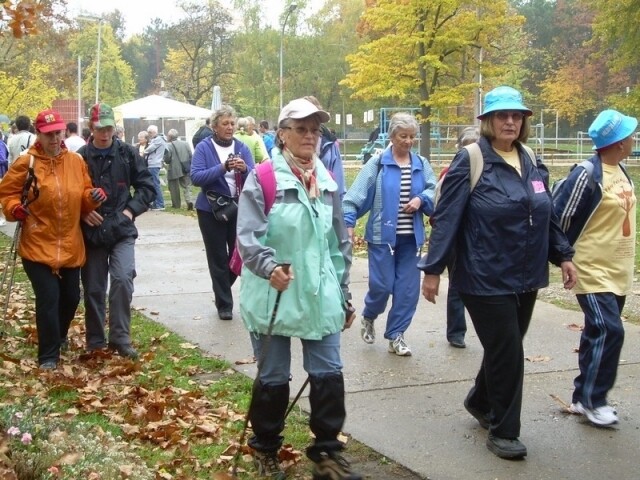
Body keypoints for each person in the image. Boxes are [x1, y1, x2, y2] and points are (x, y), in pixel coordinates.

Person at [418, 86, 577, 459]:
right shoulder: (470, 160)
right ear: (488, 121)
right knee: (509, 352)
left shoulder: (533, 160)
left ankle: (479, 399)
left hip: (526, 274)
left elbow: (546, 214)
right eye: (502, 115)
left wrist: (564, 255)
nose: (510, 121)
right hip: (483, 275)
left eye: (517, 116)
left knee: (505, 346)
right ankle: (505, 431)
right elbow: (447, 218)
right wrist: (433, 269)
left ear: (523, 122)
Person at [236, 97, 361, 480]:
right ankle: (265, 448)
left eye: (315, 129)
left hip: (319, 298)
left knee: (328, 374)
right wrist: (268, 266)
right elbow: (248, 236)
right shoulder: (264, 177)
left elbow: (338, 245)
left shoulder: (325, 180)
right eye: (301, 128)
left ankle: (325, 451)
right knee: (273, 378)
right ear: (283, 134)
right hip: (273, 294)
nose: (310, 135)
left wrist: (343, 295)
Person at [0, 108, 103, 369]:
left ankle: (58, 336)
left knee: (70, 297)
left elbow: (84, 193)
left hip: (69, 243)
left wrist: (92, 198)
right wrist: (14, 209)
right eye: (48, 135)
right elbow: (6, 194)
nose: (54, 139)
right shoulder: (27, 163)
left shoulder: (76, 162)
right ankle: (48, 355)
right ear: (39, 135)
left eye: (57, 133)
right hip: (37, 242)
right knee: (48, 298)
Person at [553, 109, 637, 427]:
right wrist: (564, 257)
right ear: (617, 142)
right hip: (590, 268)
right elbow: (559, 219)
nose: (633, 139)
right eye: (629, 135)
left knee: (595, 333)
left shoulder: (622, 171)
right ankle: (594, 400)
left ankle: (581, 396)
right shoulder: (588, 173)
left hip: (617, 270)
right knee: (609, 330)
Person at [342, 112, 436, 357]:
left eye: (412, 137)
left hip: (411, 239)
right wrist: (349, 222)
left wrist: (421, 199)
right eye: (403, 136)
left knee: (407, 290)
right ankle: (370, 315)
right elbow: (354, 196)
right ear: (392, 136)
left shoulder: (421, 164)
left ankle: (396, 335)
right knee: (382, 286)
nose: (407, 141)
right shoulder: (378, 164)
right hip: (382, 238)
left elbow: (433, 189)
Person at [78, 102, 156, 359]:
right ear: (92, 127)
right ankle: (95, 340)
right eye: (100, 128)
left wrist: (130, 211)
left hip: (122, 228)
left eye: (109, 128)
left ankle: (120, 338)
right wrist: (82, 209)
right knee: (94, 287)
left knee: (123, 278)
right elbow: (68, 194)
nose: (105, 133)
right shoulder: (79, 158)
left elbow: (147, 188)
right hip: (92, 231)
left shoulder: (128, 153)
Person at [190, 105, 254, 320]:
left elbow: (255, 177)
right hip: (211, 210)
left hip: (238, 208)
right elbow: (196, 177)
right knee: (217, 257)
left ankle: (221, 288)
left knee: (239, 254)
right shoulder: (204, 148)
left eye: (232, 123)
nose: (229, 127)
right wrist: (223, 167)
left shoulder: (242, 147)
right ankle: (224, 305)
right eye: (225, 123)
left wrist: (244, 169)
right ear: (215, 126)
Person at [442, 126, 480, 349]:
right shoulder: (450, 173)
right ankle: (456, 332)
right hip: (456, 238)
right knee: (457, 286)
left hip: (480, 239)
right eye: (467, 146)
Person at [164, 128, 194, 210]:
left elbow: (167, 159)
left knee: (174, 188)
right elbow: (191, 155)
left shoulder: (168, 146)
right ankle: (189, 201)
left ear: (170, 137)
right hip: (185, 168)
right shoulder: (186, 143)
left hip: (173, 170)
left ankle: (176, 205)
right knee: (187, 186)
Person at [144, 125, 167, 211]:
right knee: (153, 184)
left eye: (150, 132)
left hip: (154, 164)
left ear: (154, 132)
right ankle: (156, 203)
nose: (149, 134)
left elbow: (150, 149)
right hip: (153, 164)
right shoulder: (157, 139)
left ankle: (160, 204)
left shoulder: (158, 140)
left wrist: (143, 152)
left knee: (155, 184)